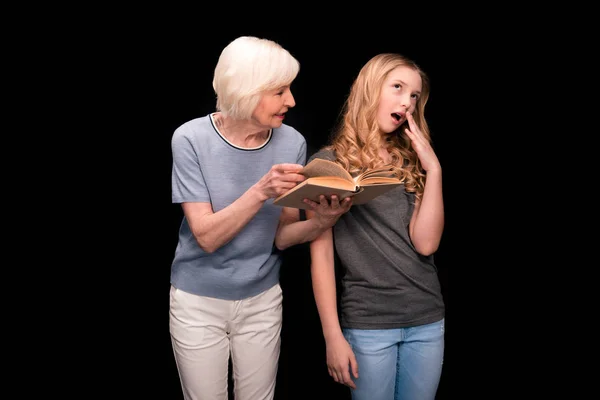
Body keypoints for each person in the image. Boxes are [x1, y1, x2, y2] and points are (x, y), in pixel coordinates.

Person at [169, 36, 352, 400]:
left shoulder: (292, 141)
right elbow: (205, 236)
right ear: (246, 89)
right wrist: (260, 190)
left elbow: (282, 237)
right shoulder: (189, 138)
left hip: (262, 300)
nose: (292, 101)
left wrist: (322, 221)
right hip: (198, 302)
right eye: (280, 90)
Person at [306, 53, 446, 400]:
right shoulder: (327, 163)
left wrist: (435, 171)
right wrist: (332, 336)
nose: (407, 102)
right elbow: (320, 256)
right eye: (397, 87)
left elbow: (426, 244)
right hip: (369, 323)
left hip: (427, 319)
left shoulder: (410, 160)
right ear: (369, 89)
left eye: (414, 95)